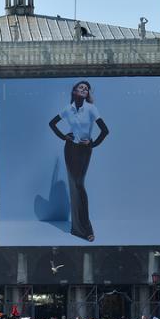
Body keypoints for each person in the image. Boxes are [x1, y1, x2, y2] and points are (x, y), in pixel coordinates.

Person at [48, 79, 110, 242]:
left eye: (87, 89)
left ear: (87, 94)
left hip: (84, 151)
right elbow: (52, 124)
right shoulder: (67, 109)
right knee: (74, 187)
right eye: (81, 87)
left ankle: (87, 228)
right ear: (74, 91)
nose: (84, 89)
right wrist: (64, 137)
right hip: (70, 149)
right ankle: (77, 229)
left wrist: (93, 143)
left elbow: (105, 130)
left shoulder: (91, 109)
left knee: (79, 186)